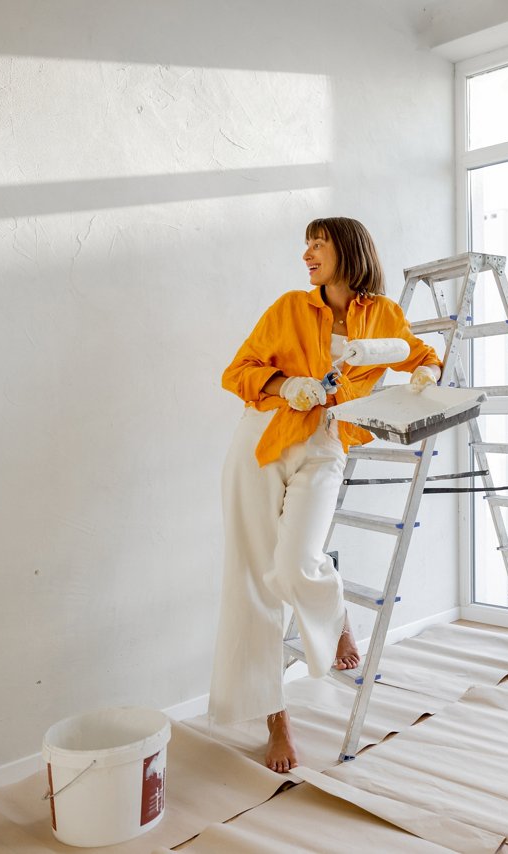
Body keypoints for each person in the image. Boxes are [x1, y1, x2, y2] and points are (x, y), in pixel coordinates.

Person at [210, 216, 441, 772]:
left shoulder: (383, 315)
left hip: (327, 442)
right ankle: (276, 720)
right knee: (253, 579)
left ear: (348, 248)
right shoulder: (290, 306)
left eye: (318, 243)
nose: (307, 253)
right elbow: (236, 371)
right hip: (262, 441)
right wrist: (284, 384)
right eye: (305, 245)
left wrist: (425, 376)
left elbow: (420, 355)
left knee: (295, 566)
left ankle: (333, 611)